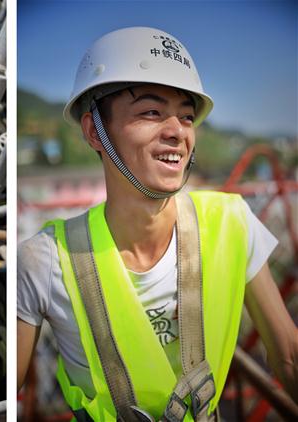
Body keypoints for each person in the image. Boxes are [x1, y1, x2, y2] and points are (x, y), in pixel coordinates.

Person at [17, 27, 298, 421]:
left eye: (186, 116)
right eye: (151, 112)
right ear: (94, 131)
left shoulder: (232, 223)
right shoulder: (44, 261)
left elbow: (287, 354)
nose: (176, 132)